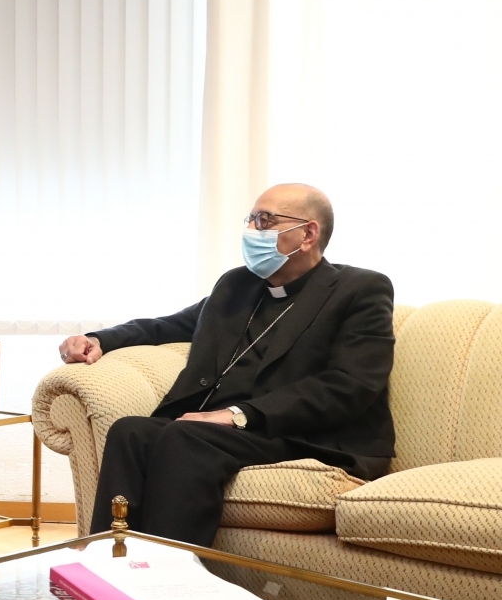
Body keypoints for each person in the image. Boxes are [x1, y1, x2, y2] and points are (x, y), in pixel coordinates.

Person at [57, 183, 394, 548]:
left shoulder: (359, 289)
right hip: (227, 432)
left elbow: (350, 384)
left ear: (308, 233)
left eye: (265, 220)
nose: (251, 230)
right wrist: (100, 340)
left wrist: (237, 415)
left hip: (302, 432)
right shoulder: (238, 285)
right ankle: (109, 559)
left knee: (184, 436)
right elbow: (170, 325)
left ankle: (169, 570)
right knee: (131, 431)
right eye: (250, 219)